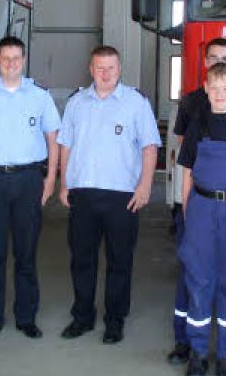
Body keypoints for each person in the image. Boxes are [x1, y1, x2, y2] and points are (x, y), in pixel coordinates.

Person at [57, 46, 160, 345]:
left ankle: (114, 320)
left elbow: (150, 147)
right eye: (99, 67)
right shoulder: (76, 103)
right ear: (91, 69)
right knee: (82, 259)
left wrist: (145, 186)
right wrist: (65, 185)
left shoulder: (136, 103)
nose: (105, 73)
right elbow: (66, 146)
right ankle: (82, 317)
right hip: (84, 193)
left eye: (111, 68)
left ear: (119, 69)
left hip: (122, 196)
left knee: (119, 261)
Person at [0, 36, 61, 340]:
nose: (11, 63)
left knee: (26, 252)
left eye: (16, 58)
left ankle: (26, 317)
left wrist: (50, 179)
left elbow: (53, 139)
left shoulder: (40, 96)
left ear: (24, 59)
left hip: (29, 179)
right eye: (5, 58)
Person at [168, 38, 226, 366]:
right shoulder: (198, 124)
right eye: (214, 88)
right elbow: (188, 170)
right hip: (202, 207)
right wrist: (186, 209)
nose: (220, 94)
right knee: (199, 277)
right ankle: (196, 351)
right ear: (206, 88)